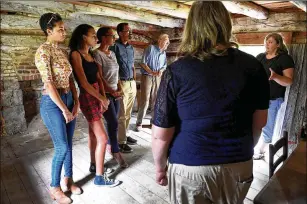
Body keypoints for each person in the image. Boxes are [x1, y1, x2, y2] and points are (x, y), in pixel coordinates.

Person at [151, 2, 270, 204]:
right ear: (226, 24)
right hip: (238, 164)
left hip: (190, 165)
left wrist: (160, 167)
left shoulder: (177, 71)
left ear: (192, 27)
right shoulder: (253, 66)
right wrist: (242, 148)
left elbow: (161, 135)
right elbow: (259, 122)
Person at [35, 13, 81, 204]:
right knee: (61, 146)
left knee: (69, 144)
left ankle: (68, 181)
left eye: (64, 28)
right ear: (49, 31)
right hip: (53, 104)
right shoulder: (42, 52)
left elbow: (70, 78)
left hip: (69, 98)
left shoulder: (61, 51)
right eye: (60, 29)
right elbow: (50, 85)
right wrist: (64, 109)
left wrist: (76, 100)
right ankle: (54, 188)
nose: (64, 31)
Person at [69, 24, 120, 187]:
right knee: (103, 138)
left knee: (93, 134)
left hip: (98, 94)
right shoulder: (76, 55)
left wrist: (104, 97)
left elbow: (99, 78)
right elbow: (83, 83)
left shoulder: (90, 54)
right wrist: (100, 97)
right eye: (92, 35)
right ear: (84, 37)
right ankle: (99, 177)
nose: (95, 38)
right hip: (88, 96)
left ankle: (93, 164)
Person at [253, 33, 294, 159]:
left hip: (273, 99)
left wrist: (275, 76)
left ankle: (261, 150)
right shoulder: (260, 57)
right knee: (254, 123)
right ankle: (254, 147)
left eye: (270, 41)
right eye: (266, 41)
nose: (267, 44)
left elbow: (289, 81)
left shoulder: (284, 59)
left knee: (267, 126)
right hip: (257, 97)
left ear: (278, 44)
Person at [94, 26, 128, 168]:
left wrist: (119, 87)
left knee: (115, 122)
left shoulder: (112, 54)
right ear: (103, 38)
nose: (114, 38)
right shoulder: (97, 54)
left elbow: (116, 74)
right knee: (113, 122)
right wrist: (110, 91)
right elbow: (100, 77)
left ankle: (110, 145)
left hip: (115, 93)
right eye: (111, 36)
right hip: (106, 94)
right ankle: (116, 151)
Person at [110, 23, 138, 153]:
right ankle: (121, 142)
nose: (130, 33)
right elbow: (113, 67)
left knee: (129, 112)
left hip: (131, 82)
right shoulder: (114, 47)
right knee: (122, 114)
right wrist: (118, 84)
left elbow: (132, 65)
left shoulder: (131, 47)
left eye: (130, 30)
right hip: (121, 82)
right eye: (127, 31)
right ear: (120, 33)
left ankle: (125, 135)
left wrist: (134, 80)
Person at [134, 34, 170, 132]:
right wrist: (151, 72)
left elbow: (164, 66)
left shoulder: (164, 53)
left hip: (157, 77)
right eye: (166, 41)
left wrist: (161, 71)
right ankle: (139, 122)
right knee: (145, 100)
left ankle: (152, 122)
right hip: (147, 76)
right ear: (160, 40)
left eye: (168, 41)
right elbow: (143, 63)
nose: (168, 43)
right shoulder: (150, 48)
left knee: (155, 100)